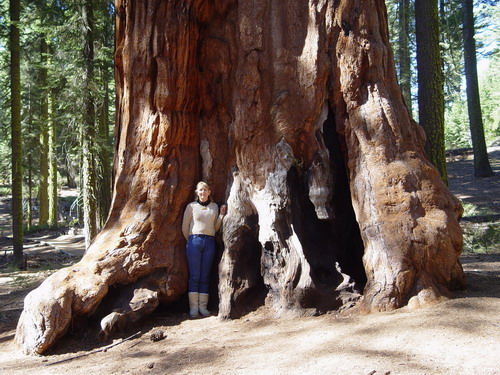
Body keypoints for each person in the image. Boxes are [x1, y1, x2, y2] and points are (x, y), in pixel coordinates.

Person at [182, 181, 227, 318]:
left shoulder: (214, 207)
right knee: (195, 275)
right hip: (194, 241)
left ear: (209, 192)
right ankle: (193, 308)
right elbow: (185, 226)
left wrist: (221, 215)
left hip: (209, 242)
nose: (203, 193)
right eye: (200, 190)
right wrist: (190, 240)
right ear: (197, 192)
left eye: (205, 190)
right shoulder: (191, 207)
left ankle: (203, 307)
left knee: (205, 275)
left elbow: (216, 227)